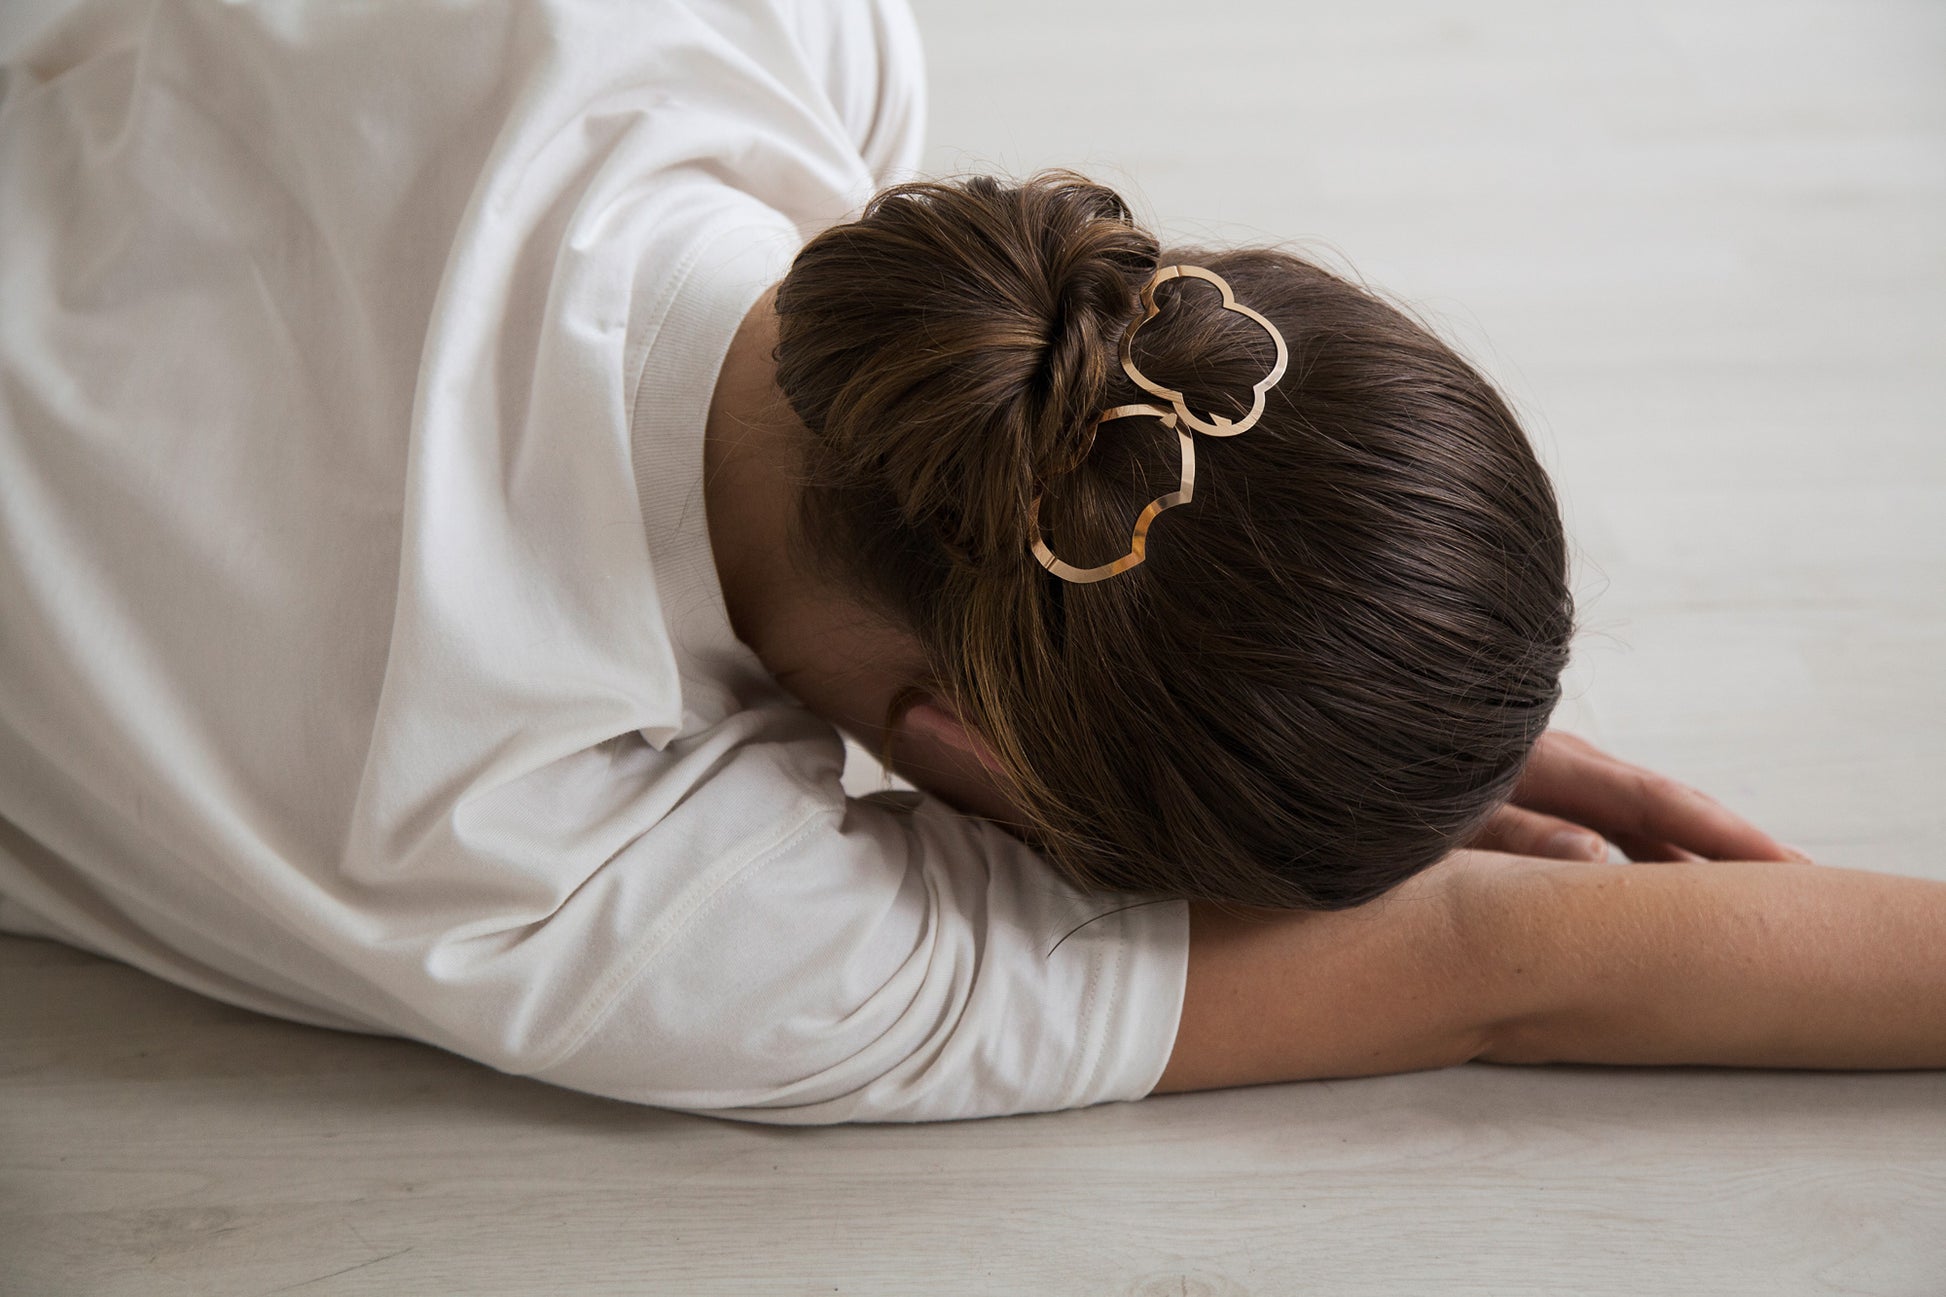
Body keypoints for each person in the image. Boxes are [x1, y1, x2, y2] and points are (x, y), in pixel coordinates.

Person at [1, 0, 1939, 1127]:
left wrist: (1323, 635)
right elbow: (1499, 961)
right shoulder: (590, 882)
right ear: (974, 760)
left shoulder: (731, 34)